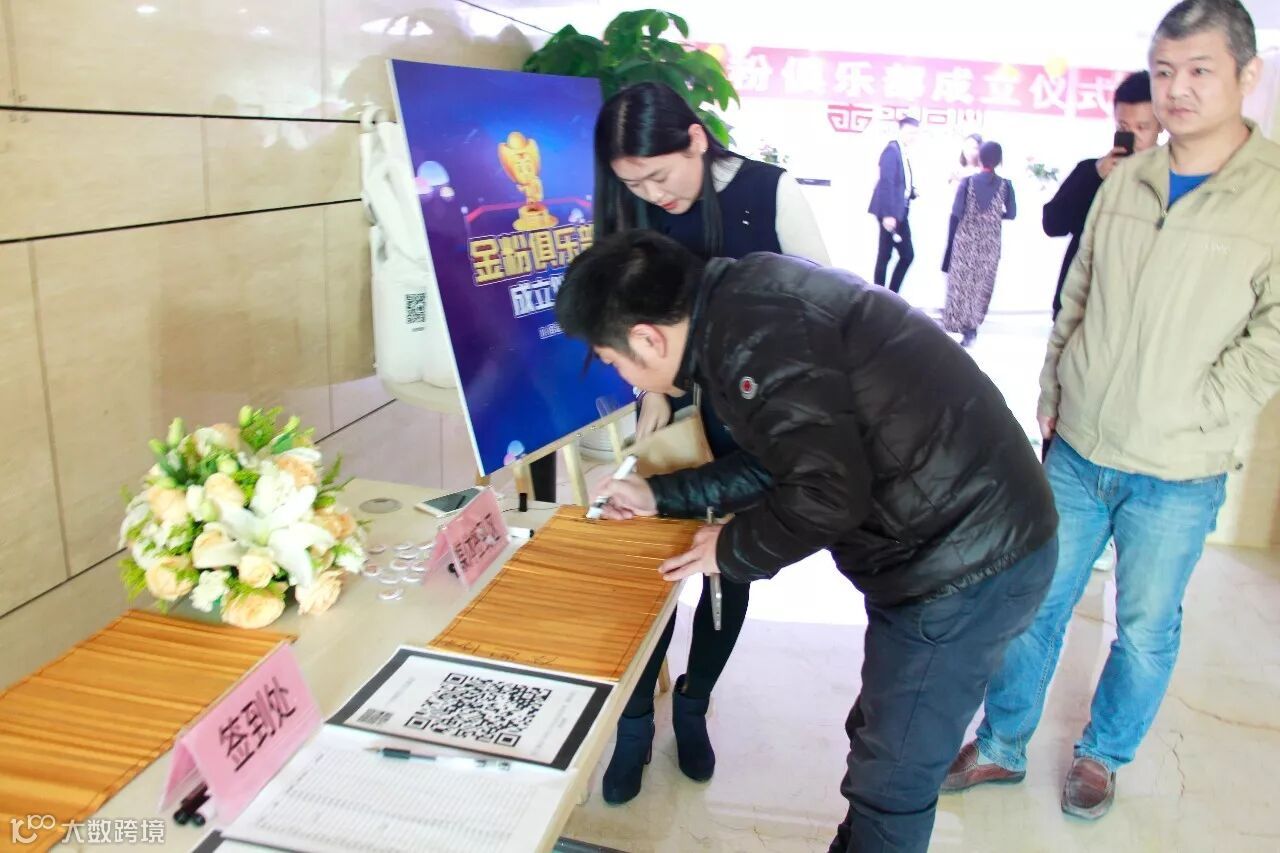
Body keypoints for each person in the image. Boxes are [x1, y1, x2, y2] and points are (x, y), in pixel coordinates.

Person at [555, 229, 1059, 853]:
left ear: (647, 339)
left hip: (968, 560)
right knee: (878, 740)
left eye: (614, 361)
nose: (624, 375)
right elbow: (785, 460)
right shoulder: (741, 303)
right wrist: (661, 496)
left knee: (893, 780)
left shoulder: (750, 342)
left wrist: (730, 549)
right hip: (953, 539)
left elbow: (826, 495)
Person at [943, 0, 1280, 822]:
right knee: (1032, 602)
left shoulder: (1272, 195)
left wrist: (1203, 407)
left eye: (1199, 70)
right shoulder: (1125, 180)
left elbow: (1272, 335)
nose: (1177, 88)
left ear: (1247, 75)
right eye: (1164, 71)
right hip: (1080, 446)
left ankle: (1102, 756)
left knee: (1146, 627)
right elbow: (1079, 293)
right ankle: (1002, 743)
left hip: (1179, 466)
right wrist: (1055, 388)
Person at [590, 81, 830, 805]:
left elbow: (824, 308)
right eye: (633, 184)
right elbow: (621, 313)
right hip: (671, 415)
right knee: (650, 570)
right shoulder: (634, 202)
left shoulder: (769, 192)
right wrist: (653, 394)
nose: (651, 196)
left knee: (729, 568)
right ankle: (636, 722)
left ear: (696, 138)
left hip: (756, 424)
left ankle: (693, 705)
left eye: (659, 176)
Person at [1043, 71, 1161, 319]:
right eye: (1123, 127)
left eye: (1142, 127)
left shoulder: (1170, 180)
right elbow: (1053, 225)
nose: (1133, 137)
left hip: (1136, 313)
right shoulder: (1090, 171)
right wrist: (1095, 176)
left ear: (1161, 124)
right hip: (1079, 309)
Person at [941, 141, 1017, 347]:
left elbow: (957, 211)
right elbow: (1011, 213)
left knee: (961, 283)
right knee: (981, 285)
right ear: (999, 160)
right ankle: (972, 329)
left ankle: (955, 325)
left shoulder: (968, 182)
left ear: (980, 158)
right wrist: (994, 216)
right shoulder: (1006, 185)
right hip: (990, 243)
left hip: (965, 240)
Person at [868, 116, 919, 293]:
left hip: (899, 209)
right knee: (900, 255)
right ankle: (884, 296)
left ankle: (884, 296)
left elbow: (899, 182)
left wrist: (911, 191)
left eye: (915, 133)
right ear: (900, 131)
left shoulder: (901, 151)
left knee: (889, 255)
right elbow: (887, 182)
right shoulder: (892, 151)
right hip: (891, 211)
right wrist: (889, 215)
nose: (913, 137)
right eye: (910, 132)